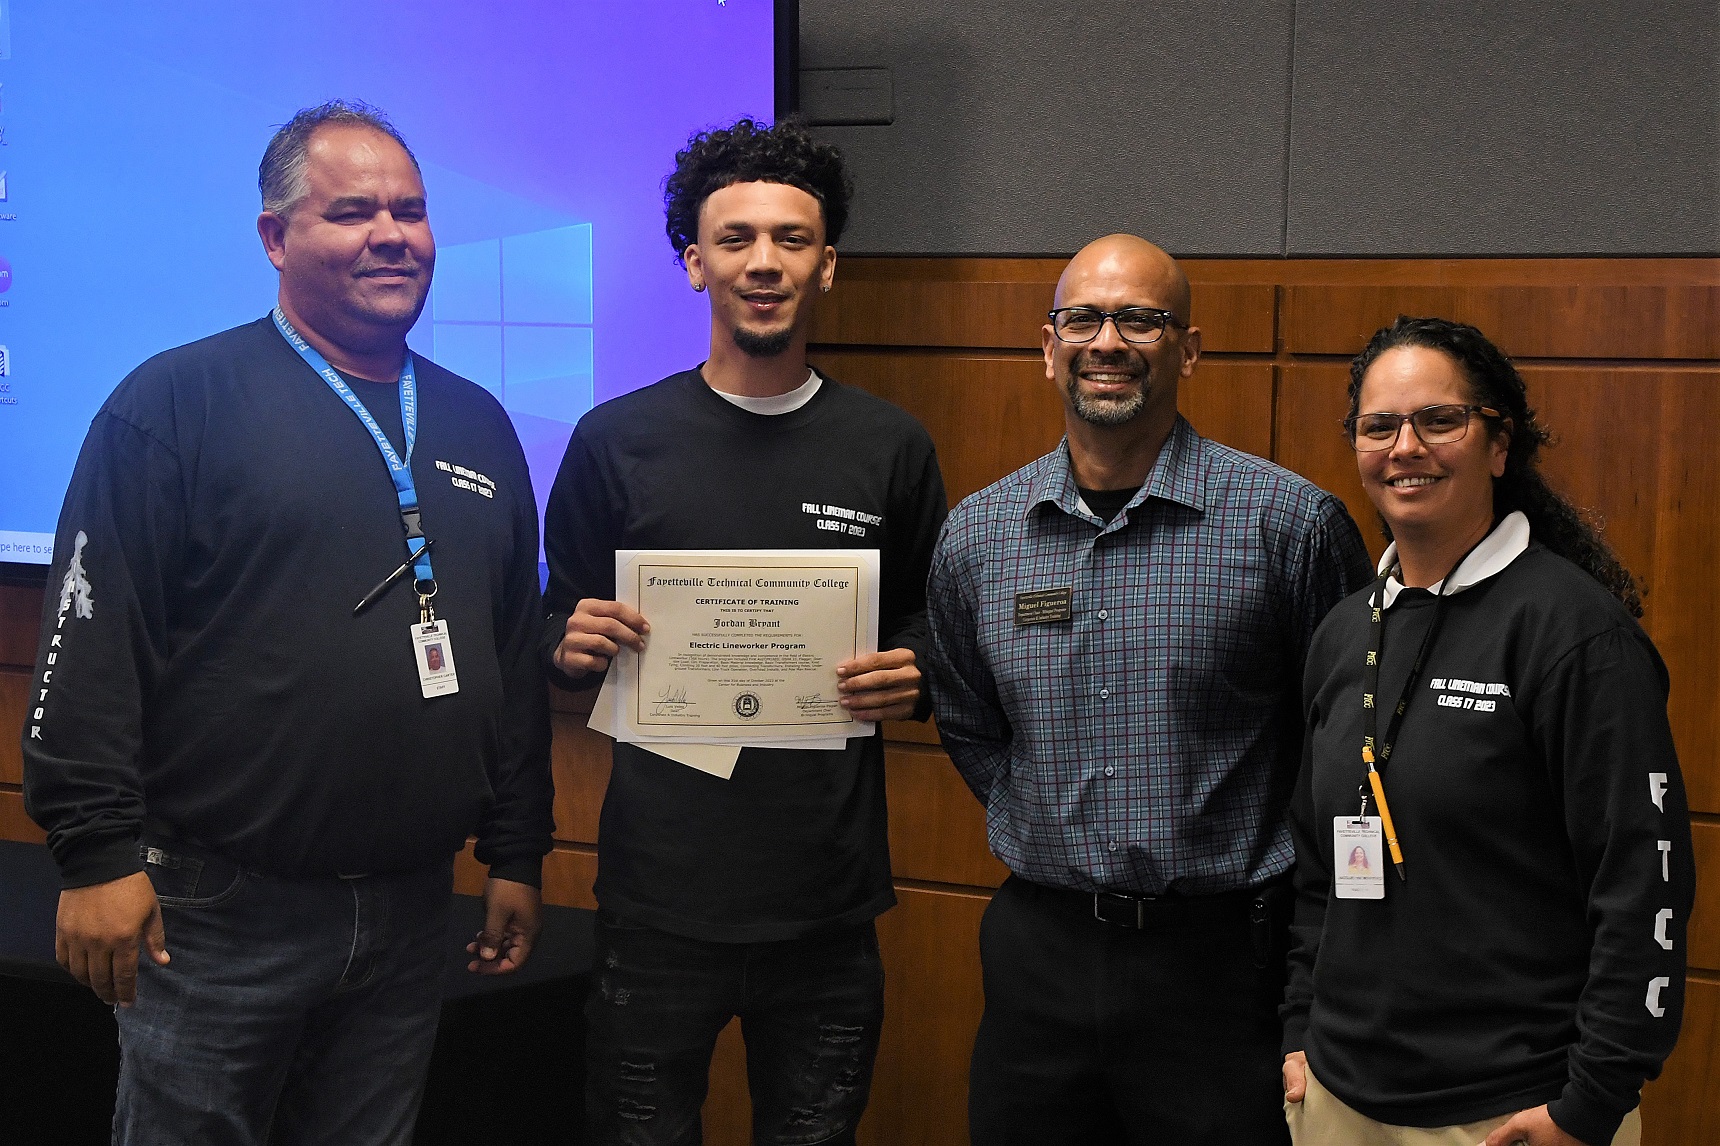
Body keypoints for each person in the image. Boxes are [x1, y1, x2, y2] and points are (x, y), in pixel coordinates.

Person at [22, 100, 554, 1145]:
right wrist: (92, 857)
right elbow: (91, 638)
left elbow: (512, 658)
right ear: (275, 238)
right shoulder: (175, 404)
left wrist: (519, 852)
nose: (391, 235)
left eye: (410, 210)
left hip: (410, 906)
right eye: (352, 211)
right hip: (218, 913)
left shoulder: (478, 424)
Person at [541, 118, 947, 1145]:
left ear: (827, 268)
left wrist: (918, 673)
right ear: (694, 264)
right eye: (735, 240)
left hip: (825, 905)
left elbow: (931, 625)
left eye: (792, 239)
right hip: (657, 903)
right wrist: (564, 642)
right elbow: (549, 627)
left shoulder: (889, 447)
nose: (763, 263)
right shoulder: (615, 442)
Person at [925, 233, 1373, 1144]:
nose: (1108, 341)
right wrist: (1054, 813)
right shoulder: (978, 535)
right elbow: (970, 723)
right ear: (1047, 346)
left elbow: (1343, 744)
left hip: (1218, 964)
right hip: (1037, 952)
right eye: (1082, 318)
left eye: (1141, 318)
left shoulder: (1287, 525)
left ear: (1190, 348)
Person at [1280, 317, 1695, 1146]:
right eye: (1379, 426)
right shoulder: (1342, 632)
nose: (1406, 447)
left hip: (1510, 1113)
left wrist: (1591, 1102)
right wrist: (1299, 1033)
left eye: (1439, 420)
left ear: (1500, 444)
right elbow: (1321, 865)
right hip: (1337, 1100)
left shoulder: (1575, 634)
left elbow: (1641, 883)